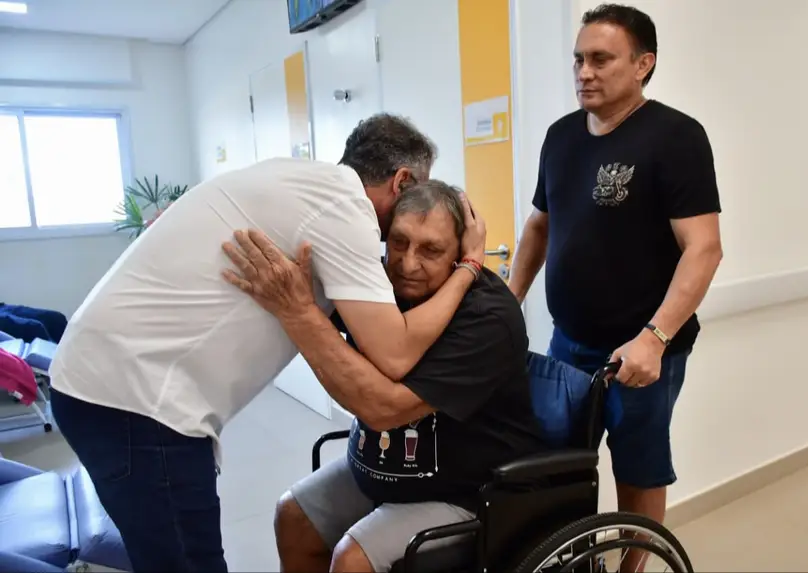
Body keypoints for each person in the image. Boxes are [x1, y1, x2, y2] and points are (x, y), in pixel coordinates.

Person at [48, 114, 487, 573]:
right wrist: (470, 267)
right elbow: (394, 355)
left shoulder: (301, 184)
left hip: (105, 381)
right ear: (402, 182)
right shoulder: (344, 207)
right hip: (135, 401)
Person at [221, 181, 545, 573]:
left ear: (461, 252)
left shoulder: (488, 318)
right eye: (399, 242)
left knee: (352, 559)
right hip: (380, 469)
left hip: (466, 491)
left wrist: (300, 315)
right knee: (293, 517)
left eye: (431, 250)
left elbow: (385, 409)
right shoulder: (377, 286)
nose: (408, 264)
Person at [507, 1, 723, 559]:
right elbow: (539, 226)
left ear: (643, 64)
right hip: (569, 342)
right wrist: (510, 299)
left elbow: (703, 248)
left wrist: (655, 337)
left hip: (642, 349)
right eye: (578, 59)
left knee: (639, 466)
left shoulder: (675, 137)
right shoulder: (560, 137)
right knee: (561, 462)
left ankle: (633, 568)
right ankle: (570, 560)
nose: (584, 72)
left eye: (601, 59)